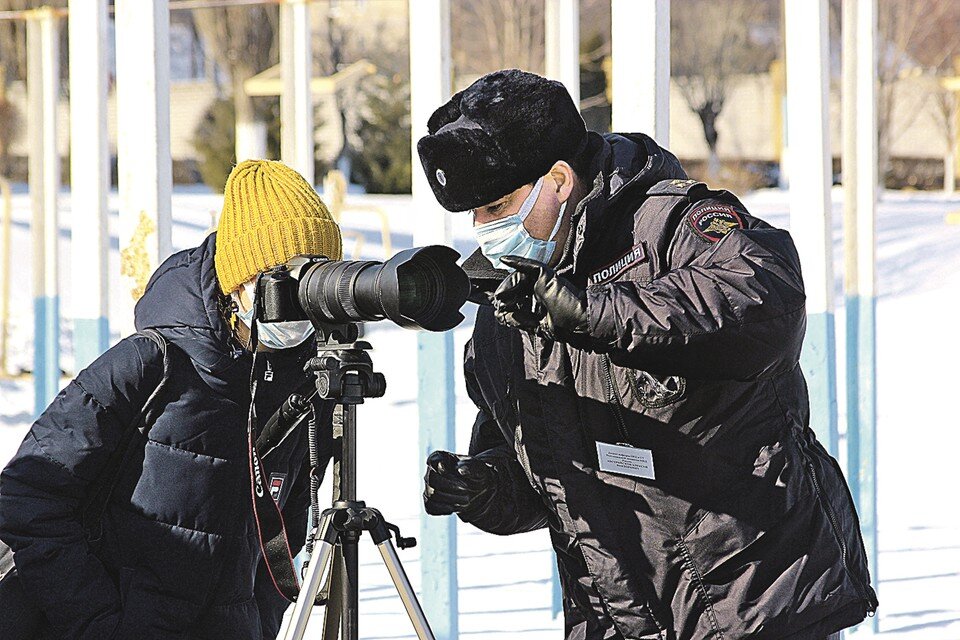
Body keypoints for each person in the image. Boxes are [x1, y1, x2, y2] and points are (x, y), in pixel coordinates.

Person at [417, 69, 878, 640]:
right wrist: (485, 487)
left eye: (498, 206)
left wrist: (590, 312)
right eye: (474, 216)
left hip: (756, 606)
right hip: (615, 620)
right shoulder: (507, 306)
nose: (486, 230)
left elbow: (767, 304)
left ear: (559, 180)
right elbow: (541, 477)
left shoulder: (673, 227)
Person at [0, 160, 342, 640]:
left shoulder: (305, 387)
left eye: (316, 278)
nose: (300, 300)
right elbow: (26, 497)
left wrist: (259, 624)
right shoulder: (150, 363)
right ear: (238, 281)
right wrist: (103, 625)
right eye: (284, 278)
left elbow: (282, 533)